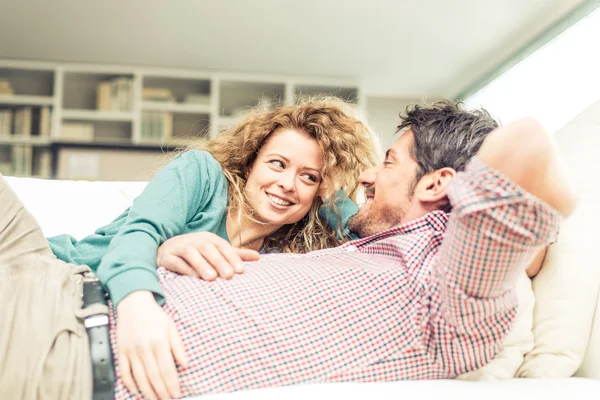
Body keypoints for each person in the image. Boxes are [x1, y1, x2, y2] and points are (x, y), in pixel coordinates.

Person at [0, 100, 576, 400]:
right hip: (54, 271)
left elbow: (521, 163)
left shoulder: (446, 300)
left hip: (62, 342)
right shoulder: (362, 251)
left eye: (388, 162)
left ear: (436, 184)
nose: (369, 178)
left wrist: (528, 238)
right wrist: (155, 265)